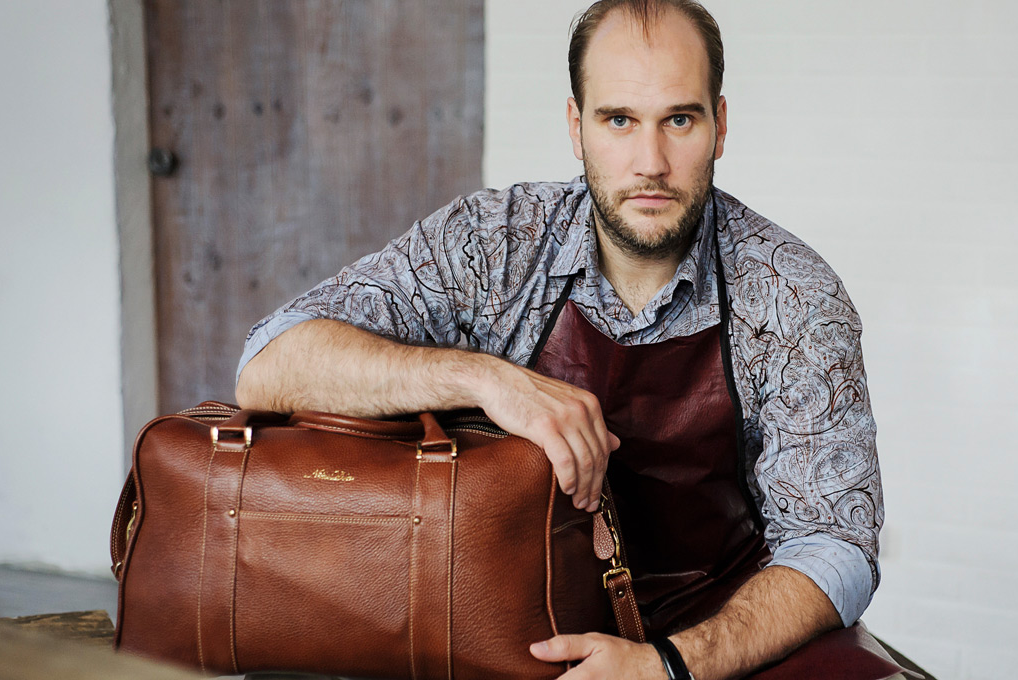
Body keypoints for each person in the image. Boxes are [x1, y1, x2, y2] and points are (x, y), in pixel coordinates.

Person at [236, 1, 884, 678]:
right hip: (511, 627)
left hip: (715, 635)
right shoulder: (491, 245)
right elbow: (269, 363)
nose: (651, 162)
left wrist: (667, 665)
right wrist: (485, 379)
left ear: (720, 126)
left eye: (679, 120)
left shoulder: (791, 292)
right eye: (618, 120)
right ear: (577, 127)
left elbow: (836, 543)